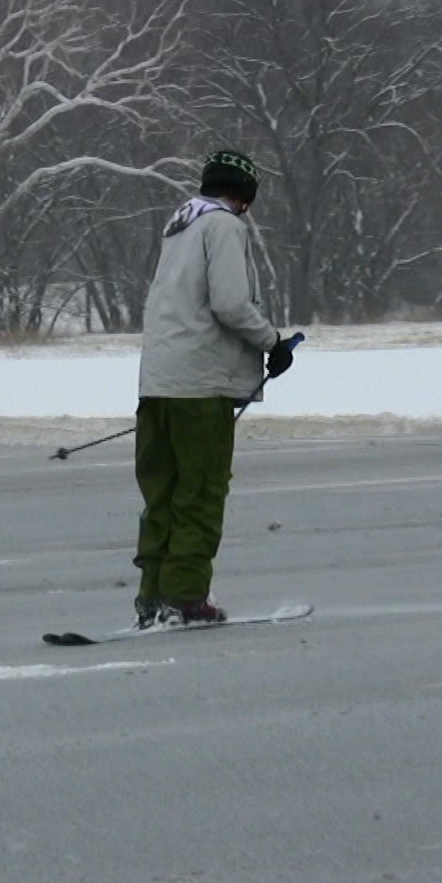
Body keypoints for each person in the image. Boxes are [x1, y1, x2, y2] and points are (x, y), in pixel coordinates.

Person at [132, 150, 296, 628]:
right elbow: (229, 303)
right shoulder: (225, 225)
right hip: (201, 385)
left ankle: (152, 599)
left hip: (157, 382)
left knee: (161, 495)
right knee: (200, 493)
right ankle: (185, 599)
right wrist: (273, 343)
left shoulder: (179, 224)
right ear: (243, 196)